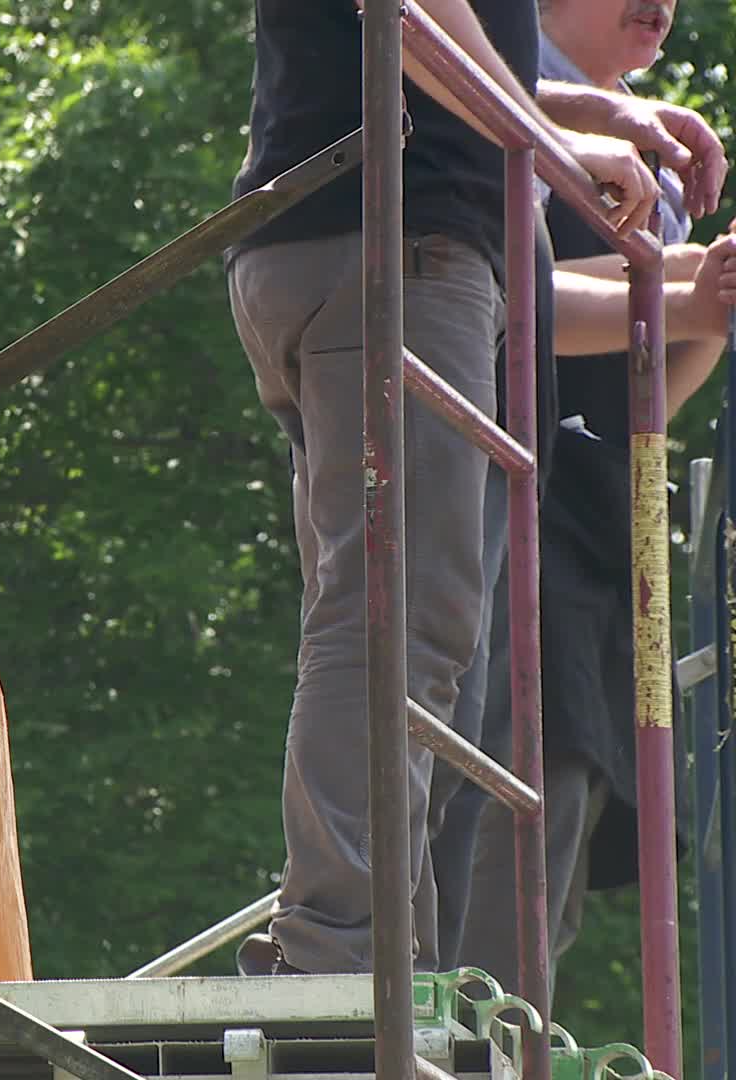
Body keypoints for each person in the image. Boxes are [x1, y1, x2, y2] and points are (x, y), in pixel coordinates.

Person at [228, 0, 717, 976]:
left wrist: (601, 119)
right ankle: (339, 953)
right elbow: (414, 23)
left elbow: (443, 33)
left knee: (436, 646)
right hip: (397, 242)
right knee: (400, 623)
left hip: (378, 244)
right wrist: (560, 152)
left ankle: (385, 956)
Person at [453, 0, 734, 999]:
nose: (657, 6)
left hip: (588, 504)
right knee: (523, 765)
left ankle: (505, 1019)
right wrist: (687, 290)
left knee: (568, 789)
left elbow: (642, 394)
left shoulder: (644, 151)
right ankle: (473, 1019)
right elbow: (509, 300)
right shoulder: (483, 80)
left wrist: (707, 306)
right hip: (497, 469)